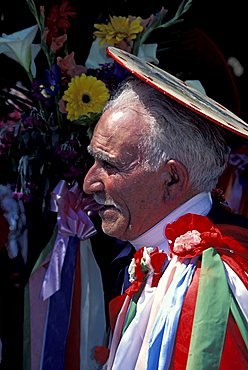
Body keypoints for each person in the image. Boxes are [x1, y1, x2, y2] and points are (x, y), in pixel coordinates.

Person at [83, 48, 248, 369]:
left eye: (110, 165)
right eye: (94, 160)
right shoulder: (162, 258)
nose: (89, 182)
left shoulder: (213, 284)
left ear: (172, 179)